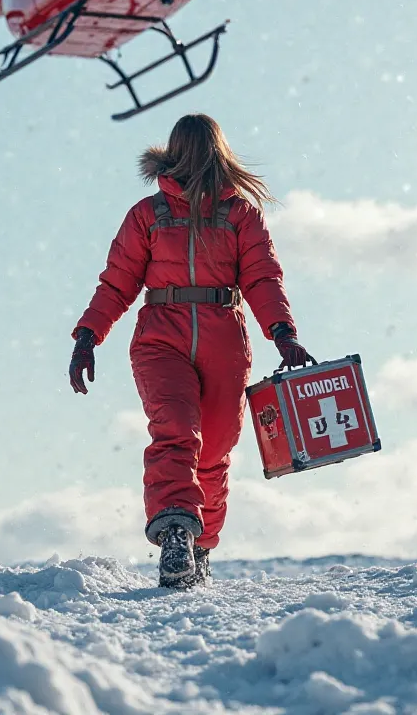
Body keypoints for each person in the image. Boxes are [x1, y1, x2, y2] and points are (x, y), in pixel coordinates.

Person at [69, 114, 314, 589]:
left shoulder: (240, 214)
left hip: (225, 337)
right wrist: (87, 336)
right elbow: (117, 282)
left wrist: (282, 332)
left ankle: (201, 547)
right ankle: (176, 529)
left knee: (216, 449)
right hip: (161, 338)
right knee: (177, 430)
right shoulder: (148, 214)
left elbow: (263, 278)